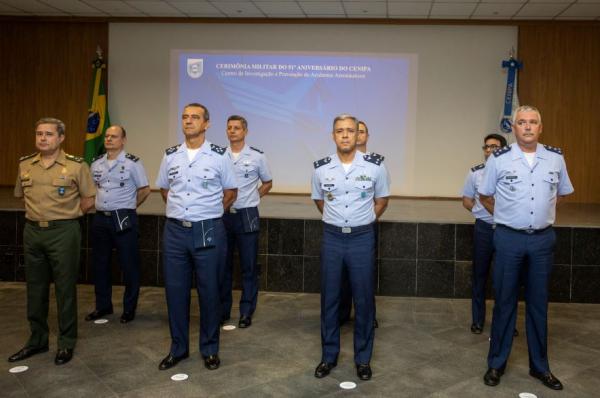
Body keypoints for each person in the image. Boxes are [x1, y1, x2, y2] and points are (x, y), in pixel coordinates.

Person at [479, 106, 573, 390]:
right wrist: (508, 216)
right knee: (504, 303)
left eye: (533, 122)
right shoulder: (499, 159)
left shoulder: (555, 158)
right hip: (509, 239)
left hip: (542, 241)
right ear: (515, 128)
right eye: (522, 122)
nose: (528, 127)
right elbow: (485, 194)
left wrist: (542, 215)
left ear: (540, 128)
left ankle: (540, 367)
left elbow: (563, 194)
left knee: (538, 305)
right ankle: (496, 364)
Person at [155, 103, 238, 371]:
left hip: (208, 228)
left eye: (195, 117)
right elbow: (165, 190)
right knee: (175, 292)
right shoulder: (170, 156)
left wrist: (210, 213)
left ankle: (210, 348)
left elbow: (231, 192)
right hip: (176, 231)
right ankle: (177, 349)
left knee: (209, 291)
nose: (188, 121)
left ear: (206, 124)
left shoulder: (219, 155)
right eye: (185, 117)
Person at [9, 117, 95, 365]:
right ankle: (37, 340)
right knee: (35, 289)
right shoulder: (25, 165)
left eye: (48, 134)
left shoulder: (77, 166)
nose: (42, 138)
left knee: (65, 290)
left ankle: (66, 343)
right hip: (33, 231)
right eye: (39, 134)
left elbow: (89, 199)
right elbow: (21, 197)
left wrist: (68, 216)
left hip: (64, 232)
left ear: (60, 138)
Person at [311, 114, 390, 381]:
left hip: (361, 238)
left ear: (358, 135)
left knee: (364, 300)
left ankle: (363, 359)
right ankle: (328, 357)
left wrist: (362, 221)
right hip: (332, 238)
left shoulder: (376, 167)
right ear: (333, 135)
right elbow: (320, 201)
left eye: (350, 131)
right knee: (330, 300)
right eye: (339, 131)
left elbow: (381, 200)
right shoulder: (321, 168)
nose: (345, 135)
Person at [85, 125, 150, 324]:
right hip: (100, 219)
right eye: (107, 136)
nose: (109, 139)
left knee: (129, 265)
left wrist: (129, 207)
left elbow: (145, 189)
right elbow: (93, 188)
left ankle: (129, 309)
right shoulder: (96, 163)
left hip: (123, 218)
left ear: (123, 140)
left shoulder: (132, 163)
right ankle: (103, 306)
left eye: (114, 136)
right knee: (100, 264)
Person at [220, 115, 272, 328]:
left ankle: (246, 312)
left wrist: (253, 197)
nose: (232, 131)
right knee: (223, 266)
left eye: (237, 128)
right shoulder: (218, 155)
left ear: (245, 131)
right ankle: (223, 311)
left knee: (248, 266)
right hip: (223, 214)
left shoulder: (257, 156)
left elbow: (268, 182)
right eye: (229, 128)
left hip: (247, 214)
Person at [461, 133, 507, 334]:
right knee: (480, 275)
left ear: (504, 149)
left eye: (494, 147)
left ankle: (505, 321)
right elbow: (466, 200)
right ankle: (478, 320)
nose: (489, 150)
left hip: (507, 231)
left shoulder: (512, 170)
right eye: (486, 147)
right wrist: (479, 212)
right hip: (484, 229)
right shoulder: (475, 173)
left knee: (506, 278)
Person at [339, 120, 381, 329]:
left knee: (364, 275)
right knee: (342, 273)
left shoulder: (375, 164)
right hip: (342, 228)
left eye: (362, 132)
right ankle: (343, 311)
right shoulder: (338, 163)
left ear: (365, 136)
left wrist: (369, 218)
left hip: (366, 226)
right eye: (358, 131)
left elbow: (381, 198)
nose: (359, 135)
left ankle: (367, 314)